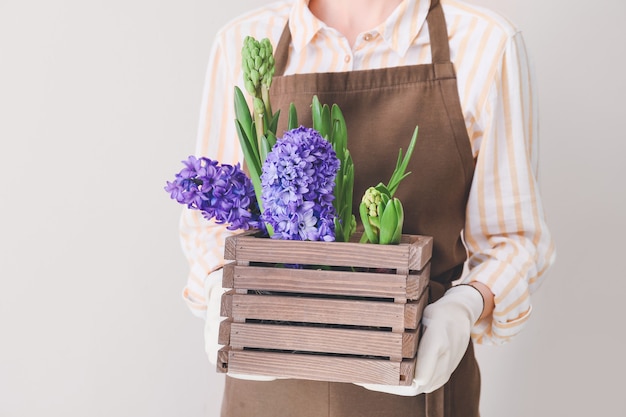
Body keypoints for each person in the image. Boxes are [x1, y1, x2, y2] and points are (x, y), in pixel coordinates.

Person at [178, 0, 556, 416]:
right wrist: (219, 284)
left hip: (417, 380)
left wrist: (465, 305)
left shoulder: (485, 42)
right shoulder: (244, 41)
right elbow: (208, 221)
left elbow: (514, 238)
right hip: (268, 385)